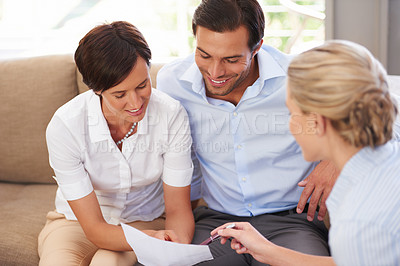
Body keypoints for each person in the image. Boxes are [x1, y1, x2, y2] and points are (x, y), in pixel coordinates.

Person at [157, 0, 337, 264]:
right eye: (204, 55)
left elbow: (388, 115)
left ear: (257, 48)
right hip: (217, 221)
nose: (215, 72)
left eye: (231, 59)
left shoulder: (301, 77)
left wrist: (335, 161)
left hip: (292, 222)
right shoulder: (172, 82)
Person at [213, 40, 400, 265]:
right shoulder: (381, 163)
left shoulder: (359, 218)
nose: (290, 126)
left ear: (317, 123)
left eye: (292, 114)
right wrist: (267, 250)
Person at [38, 21, 194, 266]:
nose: (135, 103)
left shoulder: (171, 115)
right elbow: (95, 229)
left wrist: (174, 246)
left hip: (144, 219)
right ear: (97, 90)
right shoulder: (66, 126)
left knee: (108, 264)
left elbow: (178, 210)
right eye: (119, 95)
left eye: (142, 85)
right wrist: (148, 239)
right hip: (76, 224)